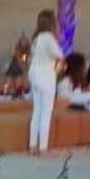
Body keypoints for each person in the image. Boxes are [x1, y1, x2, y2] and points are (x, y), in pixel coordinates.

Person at [28, 9, 65, 153]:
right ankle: (43, 147)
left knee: (37, 111)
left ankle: (32, 145)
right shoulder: (49, 38)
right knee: (46, 111)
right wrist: (58, 69)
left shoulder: (36, 38)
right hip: (46, 75)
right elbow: (60, 55)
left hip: (34, 74)